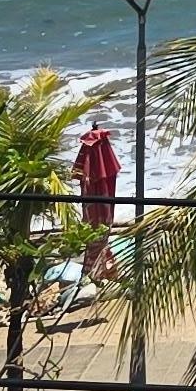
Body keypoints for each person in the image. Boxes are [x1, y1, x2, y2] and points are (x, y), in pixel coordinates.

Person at [75, 115, 122, 282]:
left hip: (95, 220)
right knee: (99, 231)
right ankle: (99, 270)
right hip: (100, 219)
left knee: (95, 230)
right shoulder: (102, 168)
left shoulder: (91, 174)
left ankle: (95, 270)